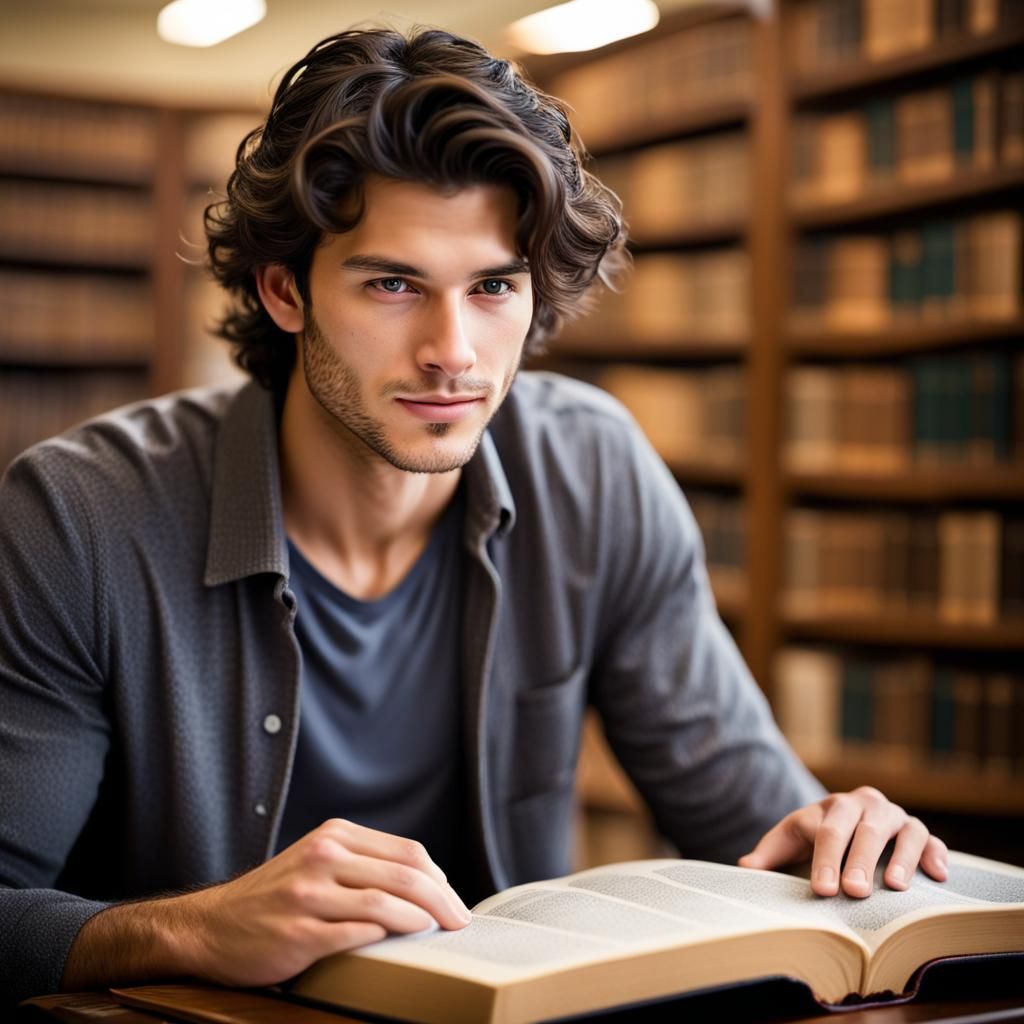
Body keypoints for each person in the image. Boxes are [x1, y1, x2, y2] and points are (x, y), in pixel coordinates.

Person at [0, 26, 947, 1008]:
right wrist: (194, 926)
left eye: (493, 285)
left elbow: (750, 815)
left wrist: (836, 835)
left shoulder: (594, 470)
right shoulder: (80, 515)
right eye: (393, 284)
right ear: (285, 291)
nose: (453, 352)